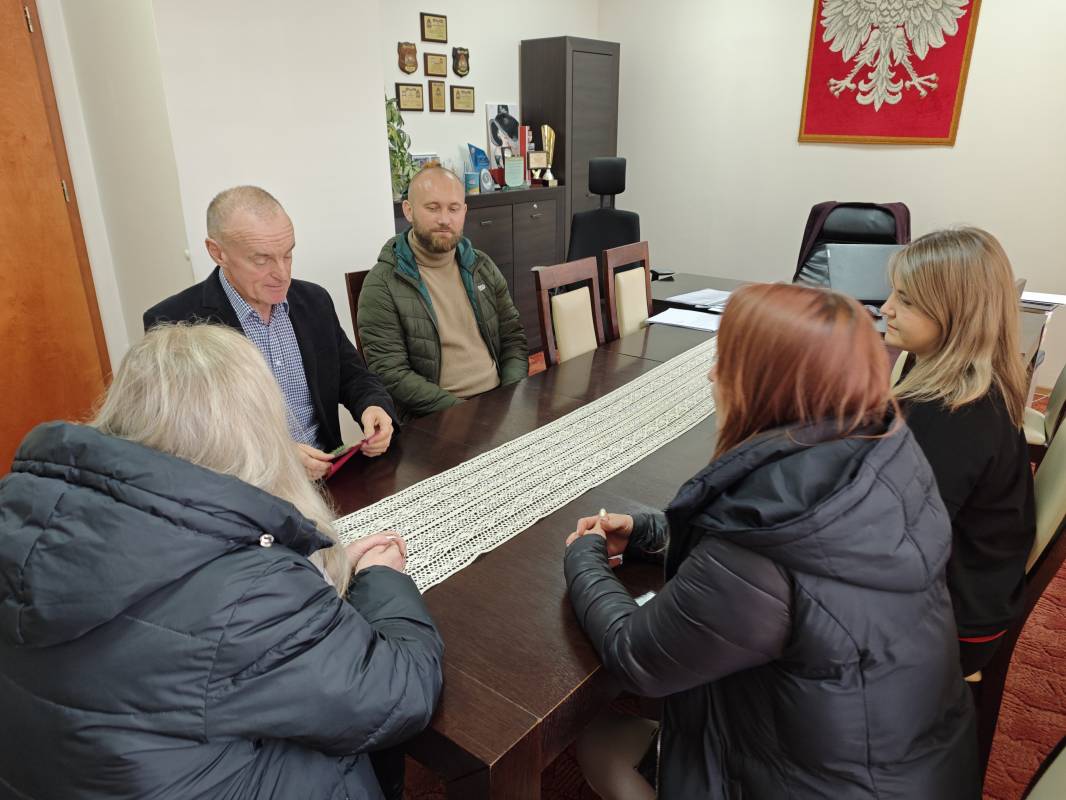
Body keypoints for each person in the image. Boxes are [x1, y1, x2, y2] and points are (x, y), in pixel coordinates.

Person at [563, 283, 979, 799]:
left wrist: (582, 556)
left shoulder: (757, 552)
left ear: (763, 385)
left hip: (828, 784)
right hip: (916, 764)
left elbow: (635, 656)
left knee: (597, 741)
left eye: (725, 361)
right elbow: (799, 550)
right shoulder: (886, 450)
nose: (711, 375)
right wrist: (650, 532)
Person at [0, 323, 443, 800]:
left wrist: (311, 582)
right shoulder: (248, 592)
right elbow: (400, 693)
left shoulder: (24, 514)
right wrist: (380, 577)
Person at [144, 185, 397, 480]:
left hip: (329, 477)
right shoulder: (176, 323)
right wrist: (276, 456)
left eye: (288, 255)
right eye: (261, 260)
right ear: (217, 252)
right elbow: (185, 437)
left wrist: (373, 406)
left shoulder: (313, 301)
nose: (282, 273)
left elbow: (353, 376)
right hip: (246, 487)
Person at [881, 227, 1036, 676]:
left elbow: (896, 543)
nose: (886, 307)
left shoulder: (953, 414)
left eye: (906, 300)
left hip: (950, 625)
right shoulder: (952, 376)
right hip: (959, 584)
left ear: (956, 315)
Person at [359, 165, 528, 419]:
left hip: (498, 401)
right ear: (408, 210)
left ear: (464, 212)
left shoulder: (482, 266)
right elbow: (391, 373)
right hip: (438, 417)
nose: (445, 220)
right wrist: (465, 412)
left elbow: (513, 338)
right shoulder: (382, 284)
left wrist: (508, 396)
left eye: (453, 208)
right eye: (433, 208)